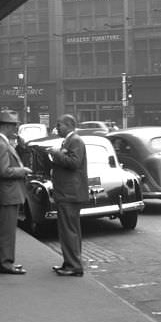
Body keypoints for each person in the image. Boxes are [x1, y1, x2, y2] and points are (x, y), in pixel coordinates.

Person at [0, 110, 31, 275]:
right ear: (6, 126)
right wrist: (22, 171)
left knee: (8, 230)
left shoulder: (2, 142)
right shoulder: (0, 143)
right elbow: (3, 171)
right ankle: (6, 264)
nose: (15, 129)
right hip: (8, 194)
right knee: (7, 232)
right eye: (14, 126)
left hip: (9, 193)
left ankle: (8, 261)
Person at [47, 115, 88, 277]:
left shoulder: (75, 141)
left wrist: (56, 154)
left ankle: (73, 265)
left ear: (70, 125)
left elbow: (74, 163)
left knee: (69, 231)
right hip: (68, 193)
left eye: (60, 125)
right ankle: (70, 262)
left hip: (69, 194)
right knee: (69, 230)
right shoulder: (70, 140)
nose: (57, 128)